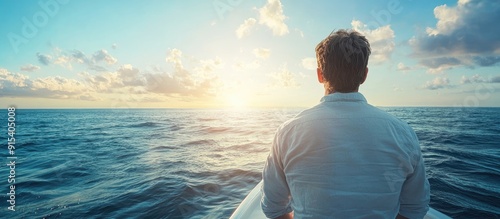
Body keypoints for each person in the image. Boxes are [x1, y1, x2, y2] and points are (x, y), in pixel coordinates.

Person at [261, 29, 430, 219]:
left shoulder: (287, 133)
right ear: (364, 75)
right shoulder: (403, 133)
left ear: (320, 75)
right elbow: (415, 208)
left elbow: (273, 208)